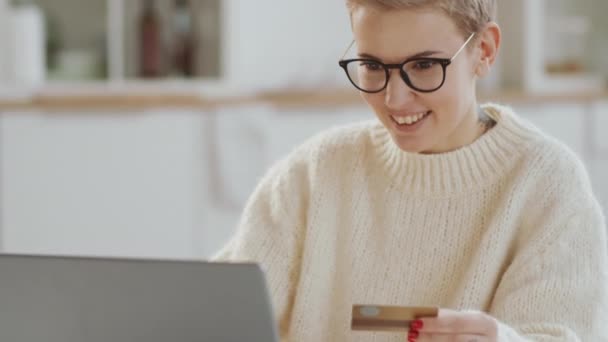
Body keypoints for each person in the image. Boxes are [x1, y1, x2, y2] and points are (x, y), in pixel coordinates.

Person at [214, 0, 608, 341]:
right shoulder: (314, 174)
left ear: (484, 51)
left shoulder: (547, 186)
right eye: (371, 65)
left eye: (423, 65)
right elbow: (214, 314)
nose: (393, 98)